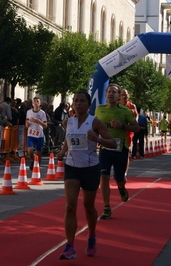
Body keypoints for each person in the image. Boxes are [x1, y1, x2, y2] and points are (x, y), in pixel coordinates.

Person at [57, 90, 116, 260]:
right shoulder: (67, 122)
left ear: (89, 105)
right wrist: (62, 152)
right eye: (76, 101)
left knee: (88, 207)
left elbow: (112, 142)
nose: (78, 104)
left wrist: (97, 140)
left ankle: (91, 236)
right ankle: (70, 246)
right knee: (70, 206)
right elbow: (68, 141)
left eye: (82, 101)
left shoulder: (95, 122)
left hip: (90, 168)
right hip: (72, 167)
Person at [94, 83, 139, 219]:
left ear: (119, 96)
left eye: (114, 92)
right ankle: (106, 207)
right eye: (109, 91)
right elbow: (95, 126)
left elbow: (136, 128)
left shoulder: (125, 111)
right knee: (104, 177)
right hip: (105, 148)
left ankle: (121, 187)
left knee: (119, 178)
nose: (111, 94)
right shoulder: (99, 109)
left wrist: (122, 126)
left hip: (120, 149)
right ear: (105, 94)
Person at [119, 89, 138, 175]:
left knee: (126, 152)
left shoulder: (132, 106)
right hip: (118, 131)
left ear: (128, 95)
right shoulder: (116, 105)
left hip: (128, 132)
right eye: (122, 95)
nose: (124, 96)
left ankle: (124, 173)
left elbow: (136, 117)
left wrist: (134, 121)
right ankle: (118, 171)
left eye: (126, 94)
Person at [26, 96, 47, 170]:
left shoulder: (42, 113)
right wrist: (28, 123)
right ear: (32, 103)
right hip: (31, 134)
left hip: (39, 134)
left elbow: (45, 125)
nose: (36, 103)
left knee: (38, 151)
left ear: (40, 103)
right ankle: (32, 160)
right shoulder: (29, 112)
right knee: (30, 151)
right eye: (34, 101)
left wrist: (37, 121)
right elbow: (26, 123)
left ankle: (37, 166)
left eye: (37, 101)